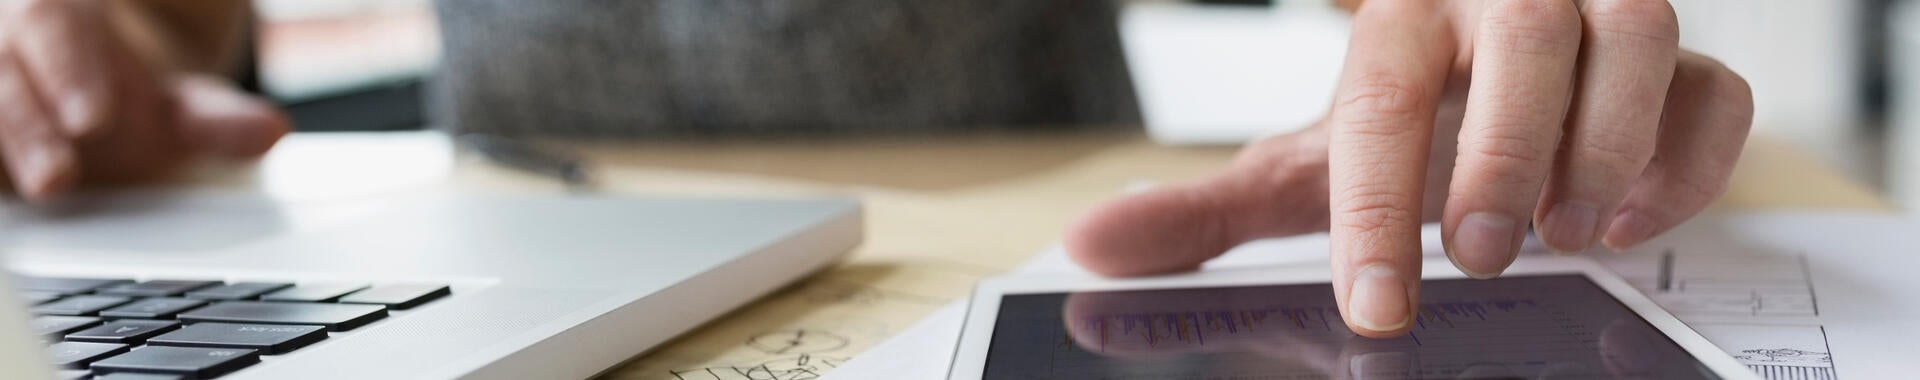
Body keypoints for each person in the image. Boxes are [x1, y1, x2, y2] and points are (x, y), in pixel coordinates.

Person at [0, 0, 1751, 339]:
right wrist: (66, 48)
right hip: (513, 214)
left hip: (1019, 247)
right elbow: (168, 24)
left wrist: (1488, 32)